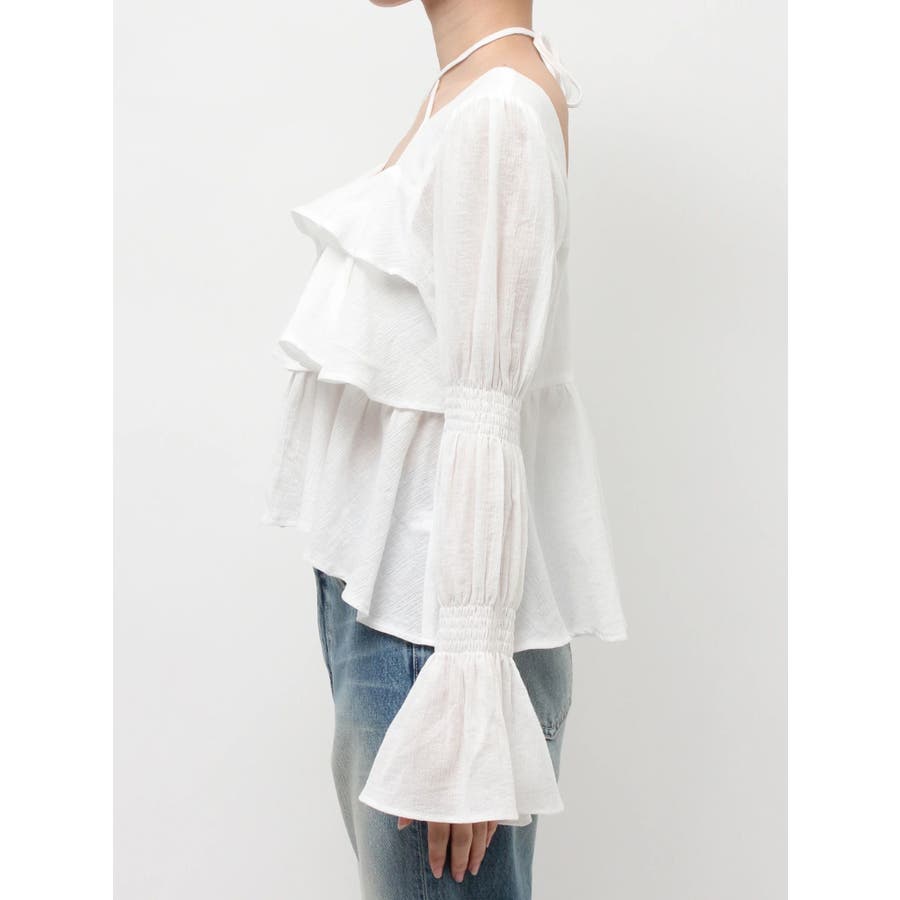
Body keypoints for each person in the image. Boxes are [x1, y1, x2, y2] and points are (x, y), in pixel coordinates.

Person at [262, 1, 628, 896]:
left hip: (439, 641)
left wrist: (467, 704)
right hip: (410, 620)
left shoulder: (497, 109)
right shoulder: (471, 92)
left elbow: (485, 409)